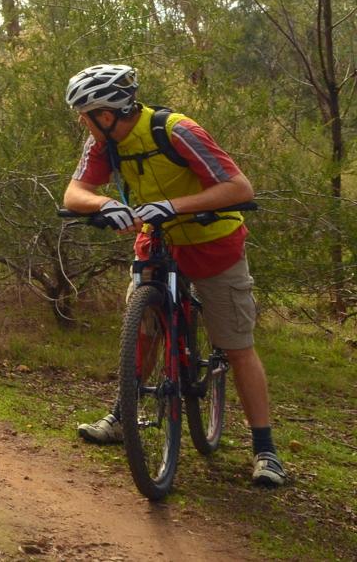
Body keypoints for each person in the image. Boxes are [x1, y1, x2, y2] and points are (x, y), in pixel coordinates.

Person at [61, 63, 285, 488]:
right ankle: (122, 415)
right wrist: (102, 204)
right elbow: (74, 193)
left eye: (84, 113)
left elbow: (240, 187)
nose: (81, 122)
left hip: (213, 242)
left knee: (236, 345)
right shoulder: (101, 144)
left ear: (107, 114)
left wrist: (174, 204)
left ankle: (266, 450)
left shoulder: (177, 131)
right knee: (142, 327)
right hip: (158, 241)